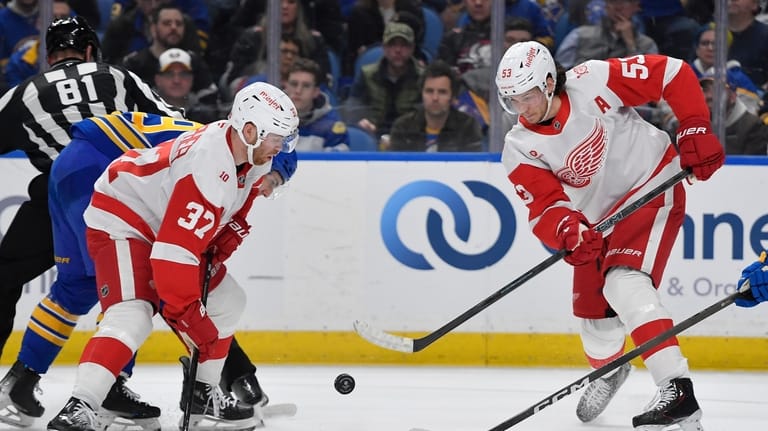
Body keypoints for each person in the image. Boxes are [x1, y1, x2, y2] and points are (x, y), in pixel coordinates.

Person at [46, 81, 300, 431]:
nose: (282, 147)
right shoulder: (208, 167)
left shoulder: (251, 153)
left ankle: (202, 393)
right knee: (133, 313)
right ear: (251, 129)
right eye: (278, 137)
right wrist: (194, 322)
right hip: (124, 218)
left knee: (229, 301)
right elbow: (171, 266)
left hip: (162, 222)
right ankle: (80, 405)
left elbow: (234, 208)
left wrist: (222, 241)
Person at [495, 41, 724, 429]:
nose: (523, 108)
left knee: (624, 283)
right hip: (597, 222)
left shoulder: (593, 80)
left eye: (529, 95)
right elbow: (544, 209)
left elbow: (672, 72)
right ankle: (610, 369)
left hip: (651, 185)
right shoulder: (519, 147)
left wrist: (694, 124)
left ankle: (677, 388)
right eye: (513, 100)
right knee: (595, 323)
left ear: (550, 82)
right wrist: (568, 228)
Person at [0, 15, 183, 427]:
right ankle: (112, 384)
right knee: (130, 289)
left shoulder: (23, 93)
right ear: (88, 52)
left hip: (56, 192)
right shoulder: (116, 76)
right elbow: (173, 121)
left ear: (49, 58)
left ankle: (20, 381)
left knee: (70, 286)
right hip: (110, 183)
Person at [344, 21, 424, 147]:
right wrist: (361, 121)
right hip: (372, 135)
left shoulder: (423, 77)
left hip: (410, 138)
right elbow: (353, 107)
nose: (398, 50)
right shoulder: (366, 74)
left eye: (404, 45)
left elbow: (425, 114)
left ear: (412, 48)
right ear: (384, 48)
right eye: (392, 45)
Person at [121, 4, 218, 106]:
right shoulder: (135, 62)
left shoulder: (194, 61)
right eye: (167, 23)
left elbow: (210, 98)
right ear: (153, 29)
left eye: (179, 23)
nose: (173, 28)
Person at [389, 59, 483, 152]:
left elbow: (472, 165)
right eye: (429, 91)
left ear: (453, 97)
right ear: (422, 94)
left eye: (442, 92)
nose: (435, 98)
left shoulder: (468, 127)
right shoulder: (403, 127)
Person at [556, 0, 657, 70]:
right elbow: (560, 71)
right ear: (606, 6)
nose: (618, 7)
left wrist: (631, 44)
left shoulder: (647, 45)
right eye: (613, 1)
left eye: (625, 1)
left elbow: (647, 82)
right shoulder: (579, 35)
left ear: (636, 6)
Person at [286, 57, 350, 152]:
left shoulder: (331, 126)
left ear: (316, 92)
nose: (298, 91)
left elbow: (336, 165)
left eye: (306, 86)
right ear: (286, 86)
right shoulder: (269, 119)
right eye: (294, 84)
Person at [699, 74, 768, 155]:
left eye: (717, 89)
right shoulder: (692, 125)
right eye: (705, 90)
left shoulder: (754, 126)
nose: (709, 96)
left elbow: (752, 165)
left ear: (733, 96)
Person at [153, 48, 221, 123]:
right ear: (157, 79)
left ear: (192, 79)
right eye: (169, 74)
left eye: (183, 74)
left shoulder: (207, 117)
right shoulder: (145, 112)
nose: (177, 80)